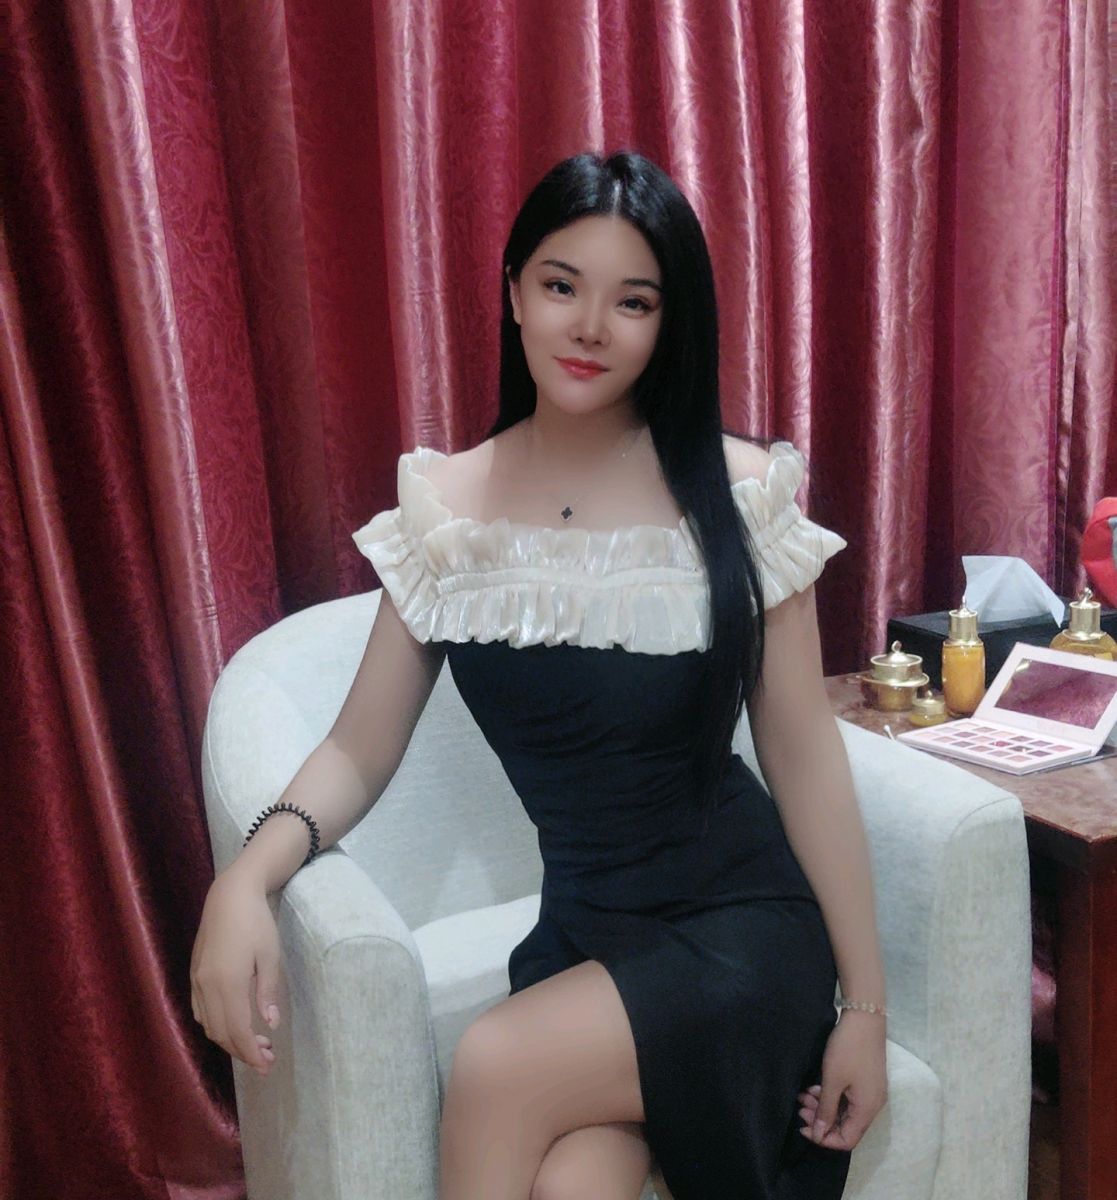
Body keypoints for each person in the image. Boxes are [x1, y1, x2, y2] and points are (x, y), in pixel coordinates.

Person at [190, 150, 888, 1200]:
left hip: (744, 932)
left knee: (494, 1061)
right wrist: (246, 878)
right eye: (563, 286)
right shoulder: (447, 513)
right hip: (587, 936)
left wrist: (863, 1008)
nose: (590, 326)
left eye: (633, 301)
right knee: (572, 1183)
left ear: (668, 323)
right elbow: (357, 749)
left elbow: (801, 753)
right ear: (514, 291)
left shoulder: (740, 494)